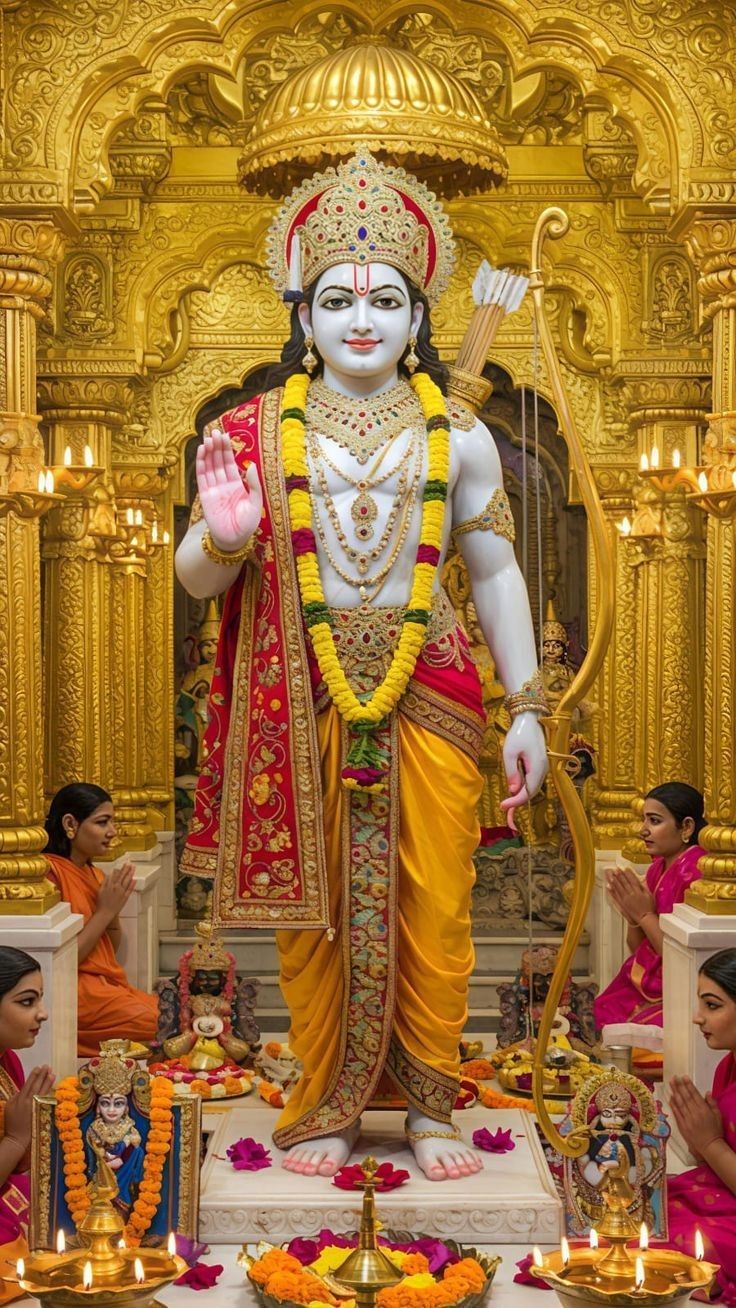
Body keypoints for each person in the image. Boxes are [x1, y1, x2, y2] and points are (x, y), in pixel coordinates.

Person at [175, 149, 547, 1181]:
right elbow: (199, 581)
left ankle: (428, 1107)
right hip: (298, 692)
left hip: (432, 687)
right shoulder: (248, 432)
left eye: (385, 298)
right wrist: (225, 535)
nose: (361, 318)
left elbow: (497, 570)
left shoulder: (458, 435)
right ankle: (327, 1102)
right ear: (303, 317)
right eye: (336, 299)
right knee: (316, 915)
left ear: (419, 316)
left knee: (434, 905)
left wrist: (528, 709)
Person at [44, 783, 158, 1057]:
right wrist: (105, 911)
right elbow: (64, 962)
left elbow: (109, 950)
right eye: (102, 822)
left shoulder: (92, 874)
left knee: (174, 1014)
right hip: (76, 995)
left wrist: (112, 912)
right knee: (164, 1024)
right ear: (70, 824)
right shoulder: (50, 875)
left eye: (113, 821)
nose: (112, 832)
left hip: (104, 989)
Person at [594, 782, 705, 1032]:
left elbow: (680, 958)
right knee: (594, 1015)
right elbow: (637, 948)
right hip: (647, 982)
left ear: (686, 826)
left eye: (654, 821)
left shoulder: (695, 871)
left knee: (630, 1037)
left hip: (680, 989)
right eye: (645, 820)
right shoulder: (658, 867)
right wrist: (633, 915)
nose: (643, 830)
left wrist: (644, 915)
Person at [668, 949, 736, 1303]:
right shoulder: (729, 1065)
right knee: (642, 1207)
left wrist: (710, 1144)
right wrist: (701, 1146)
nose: (698, 1018)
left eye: (712, 1005)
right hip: (722, 1194)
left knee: (680, 1241)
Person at [0, 946, 54, 1244]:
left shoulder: (8, 1060)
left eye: (39, 999)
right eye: (27, 1002)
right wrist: (16, 1139)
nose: (42, 1014)